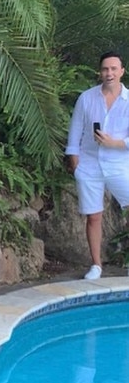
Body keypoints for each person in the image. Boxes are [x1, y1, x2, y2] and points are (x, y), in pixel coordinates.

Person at [65, 51, 129, 280]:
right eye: (105, 69)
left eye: (113, 68)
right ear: (100, 72)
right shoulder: (87, 98)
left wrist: (115, 142)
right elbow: (75, 131)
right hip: (89, 164)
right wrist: (74, 160)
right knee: (93, 216)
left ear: (122, 71)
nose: (109, 73)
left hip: (120, 164)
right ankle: (96, 265)